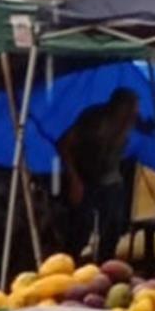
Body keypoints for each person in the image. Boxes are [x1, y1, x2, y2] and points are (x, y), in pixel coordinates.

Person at [58, 87, 139, 261]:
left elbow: (141, 124)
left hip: (110, 178)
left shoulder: (130, 121)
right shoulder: (94, 121)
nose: (130, 119)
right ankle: (69, 262)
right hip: (85, 176)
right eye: (128, 112)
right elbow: (64, 144)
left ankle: (105, 264)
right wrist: (74, 180)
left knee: (114, 224)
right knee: (81, 226)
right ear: (117, 108)